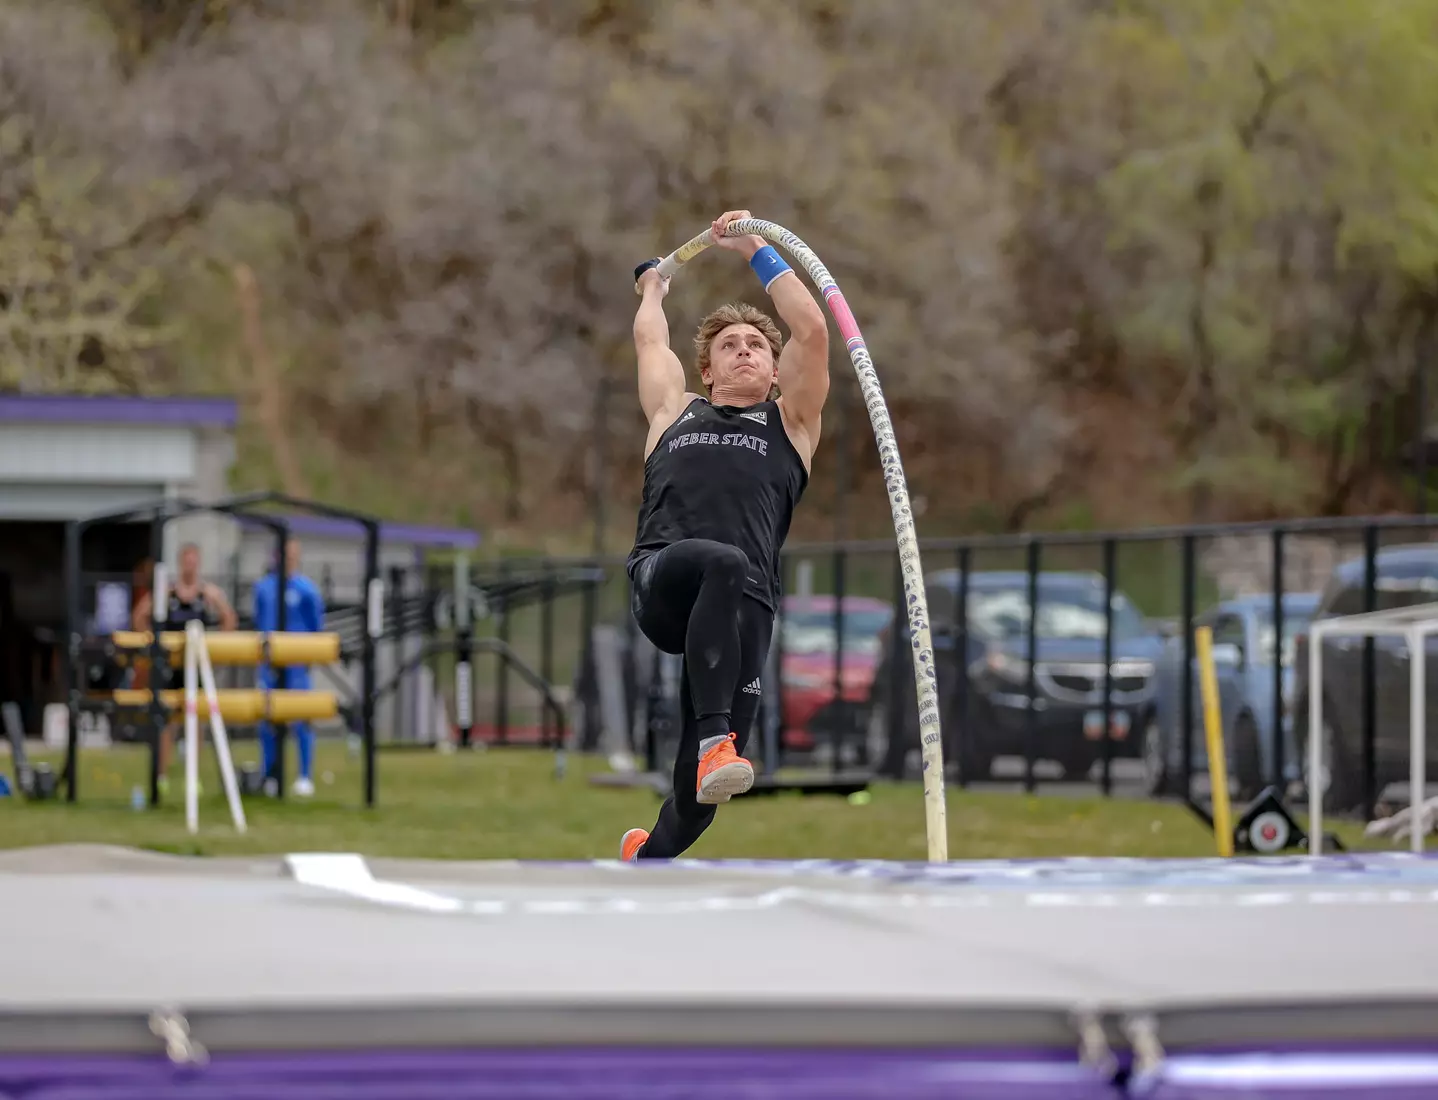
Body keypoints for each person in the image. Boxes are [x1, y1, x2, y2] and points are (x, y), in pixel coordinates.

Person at [620, 208, 831, 861]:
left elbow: (814, 328)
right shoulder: (673, 413)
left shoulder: (790, 426)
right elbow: (651, 344)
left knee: (699, 801)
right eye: (729, 345)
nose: (746, 350)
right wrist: (655, 289)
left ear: (774, 373)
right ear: (707, 370)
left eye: (758, 346)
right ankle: (716, 740)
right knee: (720, 562)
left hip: (747, 610)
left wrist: (756, 251)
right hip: (666, 580)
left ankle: (645, 857)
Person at [131, 543, 237, 792]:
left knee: (195, 722)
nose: (190, 565)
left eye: (194, 561)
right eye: (186, 560)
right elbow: (139, 616)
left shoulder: (206, 593)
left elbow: (229, 618)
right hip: (171, 663)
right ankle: (162, 775)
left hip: (196, 664)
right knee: (167, 722)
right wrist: (151, 644)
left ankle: (193, 777)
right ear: (181, 563)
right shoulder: (167, 593)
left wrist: (218, 647)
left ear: (198, 563)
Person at [251, 539, 325, 797]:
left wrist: (307, 656)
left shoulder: (307, 590)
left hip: (296, 666)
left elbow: (317, 627)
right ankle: (270, 775)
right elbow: (259, 622)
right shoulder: (263, 588)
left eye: (293, 554)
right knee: (267, 720)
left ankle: (304, 776)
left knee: (300, 719)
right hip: (270, 665)